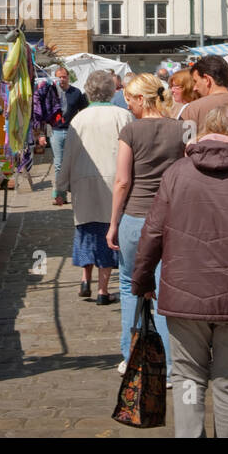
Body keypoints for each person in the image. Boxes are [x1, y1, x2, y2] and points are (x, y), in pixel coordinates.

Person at [132, 104, 228, 438]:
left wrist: (142, 279)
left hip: (184, 294)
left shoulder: (177, 173)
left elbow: (153, 232)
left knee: (188, 377)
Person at [107, 73, 182, 378]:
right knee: (165, 291)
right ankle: (167, 364)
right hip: (171, 219)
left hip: (136, 218)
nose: (129, 106)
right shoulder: (182, 129)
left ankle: (132, 356)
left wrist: (113, 224)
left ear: (140, 99)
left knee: (129, 286)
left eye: (129, 100)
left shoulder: (131, 131)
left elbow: (123, 181)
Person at [55, 70, 130, 304]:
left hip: (82, 181)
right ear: (111, 90)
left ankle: (85, 278)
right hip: (113, 181)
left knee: (86, 230)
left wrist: (60, 187)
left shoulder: (79, 119)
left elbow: (68, 156)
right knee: (109, 231)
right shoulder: (123, 116)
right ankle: (103, 290)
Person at [51, 66, 87, 206]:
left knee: (73, 163)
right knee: (59, 164)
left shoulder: (76, 92)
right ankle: (60, 195)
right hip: (56, 131)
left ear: (68, 77)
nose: (61, 79)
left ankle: (75, 191)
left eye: (64, 76)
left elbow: (84, 111)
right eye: (59, 77)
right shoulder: (52, 92)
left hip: (72, 131)